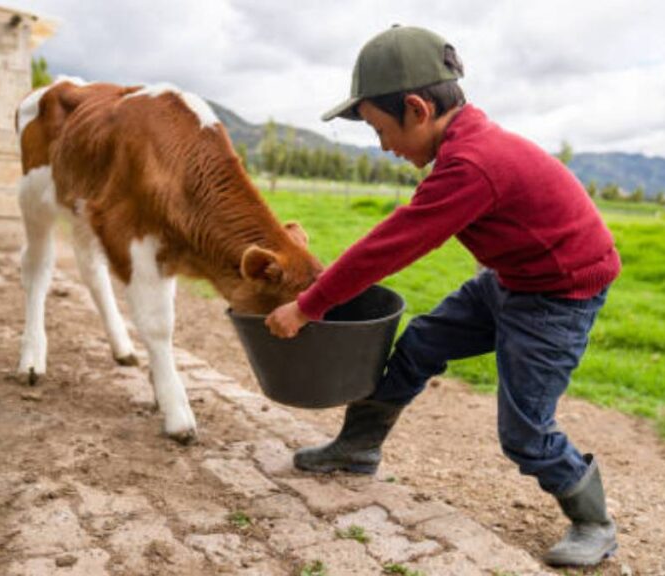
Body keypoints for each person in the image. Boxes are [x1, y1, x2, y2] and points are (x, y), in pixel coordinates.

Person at [265, 25, 621, 568]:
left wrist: (308, 304)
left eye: (382, 130)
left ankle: (594, 522)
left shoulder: (472, 163)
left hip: (557, 298)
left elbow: (392, 245)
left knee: (525, 430)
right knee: (421, 342)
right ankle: (358, 447)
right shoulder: (466, 148)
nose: (384, 146)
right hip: (511, 280)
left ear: (416, 108)